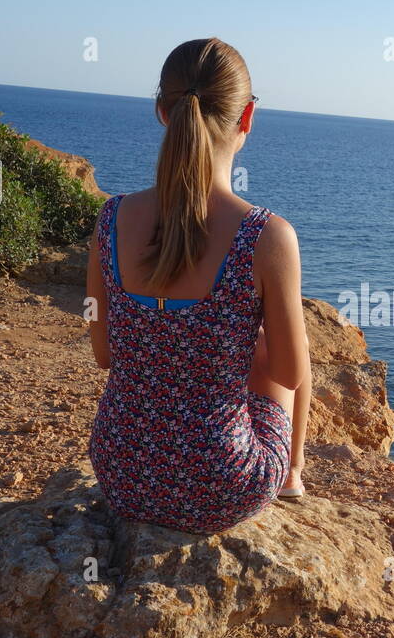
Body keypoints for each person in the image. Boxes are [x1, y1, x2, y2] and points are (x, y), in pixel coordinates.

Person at [86, 37, 310, 533]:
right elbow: (291, 375)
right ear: (247, 117)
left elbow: (104, 355)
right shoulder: (267, 236)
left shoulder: (112, 218)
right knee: (289, 344)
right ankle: (293, 474)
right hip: (222, 483)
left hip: (122, 474)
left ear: (162, 111)